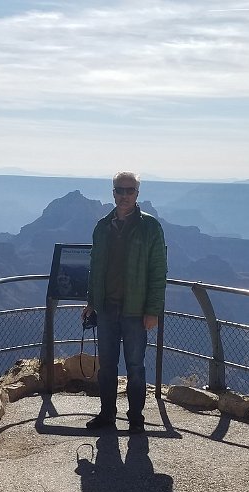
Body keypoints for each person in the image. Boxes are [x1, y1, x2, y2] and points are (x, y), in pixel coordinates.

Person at [81, 171, 167, 434]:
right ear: (113, 193)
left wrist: (152, 311)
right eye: (120, 190)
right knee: (106, 366)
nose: (125, 195)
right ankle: (107, 415)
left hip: (135, 310)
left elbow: (158, 270)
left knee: (135, 367)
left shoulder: (150, 227)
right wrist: (91, 302)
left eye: (130, 191)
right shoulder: (103, 226)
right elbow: (95, 268)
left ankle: (136, 419)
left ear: (137, 194)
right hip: (106, 309)